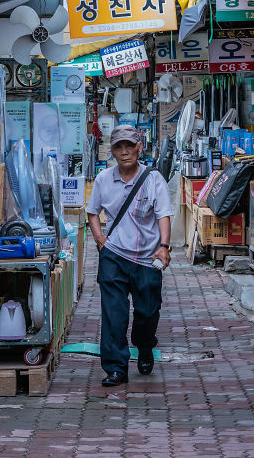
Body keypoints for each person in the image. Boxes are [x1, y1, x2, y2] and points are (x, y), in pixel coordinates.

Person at [86, 124, 174, 387]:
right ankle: (115, 368)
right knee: (114, 313)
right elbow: (92, 212)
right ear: (112, 151)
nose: (124, 152)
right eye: (118, 147)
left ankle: (145, 346)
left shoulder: (153, 179)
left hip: (147, 258)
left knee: (148, 312)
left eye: (129, 146)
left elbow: (163, 214)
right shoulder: (103, 179)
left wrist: (165, 246)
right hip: (113, 255)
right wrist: (100, 239)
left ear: (139, 147)